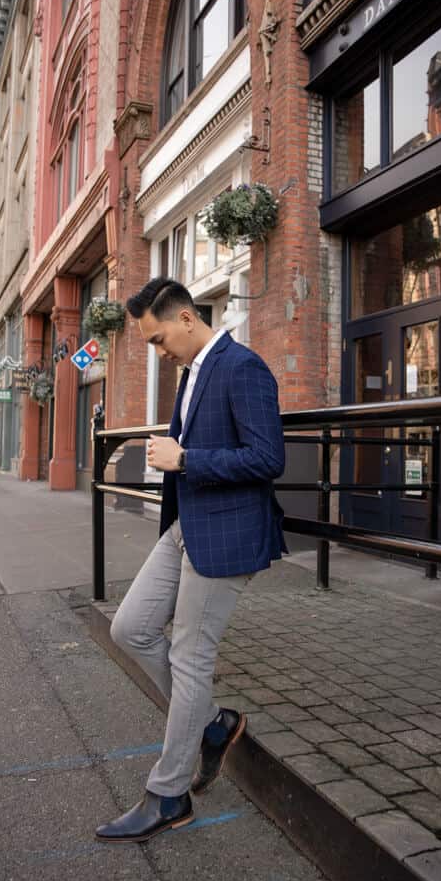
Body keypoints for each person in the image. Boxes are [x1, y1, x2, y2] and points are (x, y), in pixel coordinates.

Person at [95, 278, 286, 844]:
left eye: (157, 340)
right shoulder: (194, 371)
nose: (159, 352)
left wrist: (187, 458)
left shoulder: (242, 366)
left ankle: (169, 794)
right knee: (130, 628)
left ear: (184, 318)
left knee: (191, 656)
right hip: (186, 528)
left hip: (226, 535)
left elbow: (268, 457)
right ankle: (211, 725)